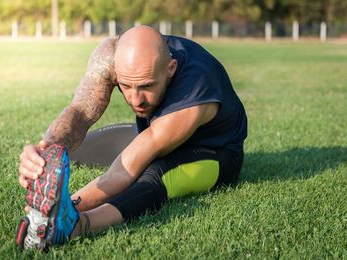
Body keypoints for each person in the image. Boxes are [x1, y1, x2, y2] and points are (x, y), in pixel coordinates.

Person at [16, 25, 247, 251]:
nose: (135, 99)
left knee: (153, 175)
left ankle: (77, 225)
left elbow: (119, 175)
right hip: (153, 132)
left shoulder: (196, 87)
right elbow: (82, 110)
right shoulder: (112, 54)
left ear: (171, 68)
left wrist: (62, 209)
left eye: (146, 86)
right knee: (75, 150)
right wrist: (46, 151)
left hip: (215, 154)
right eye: (126, 85)